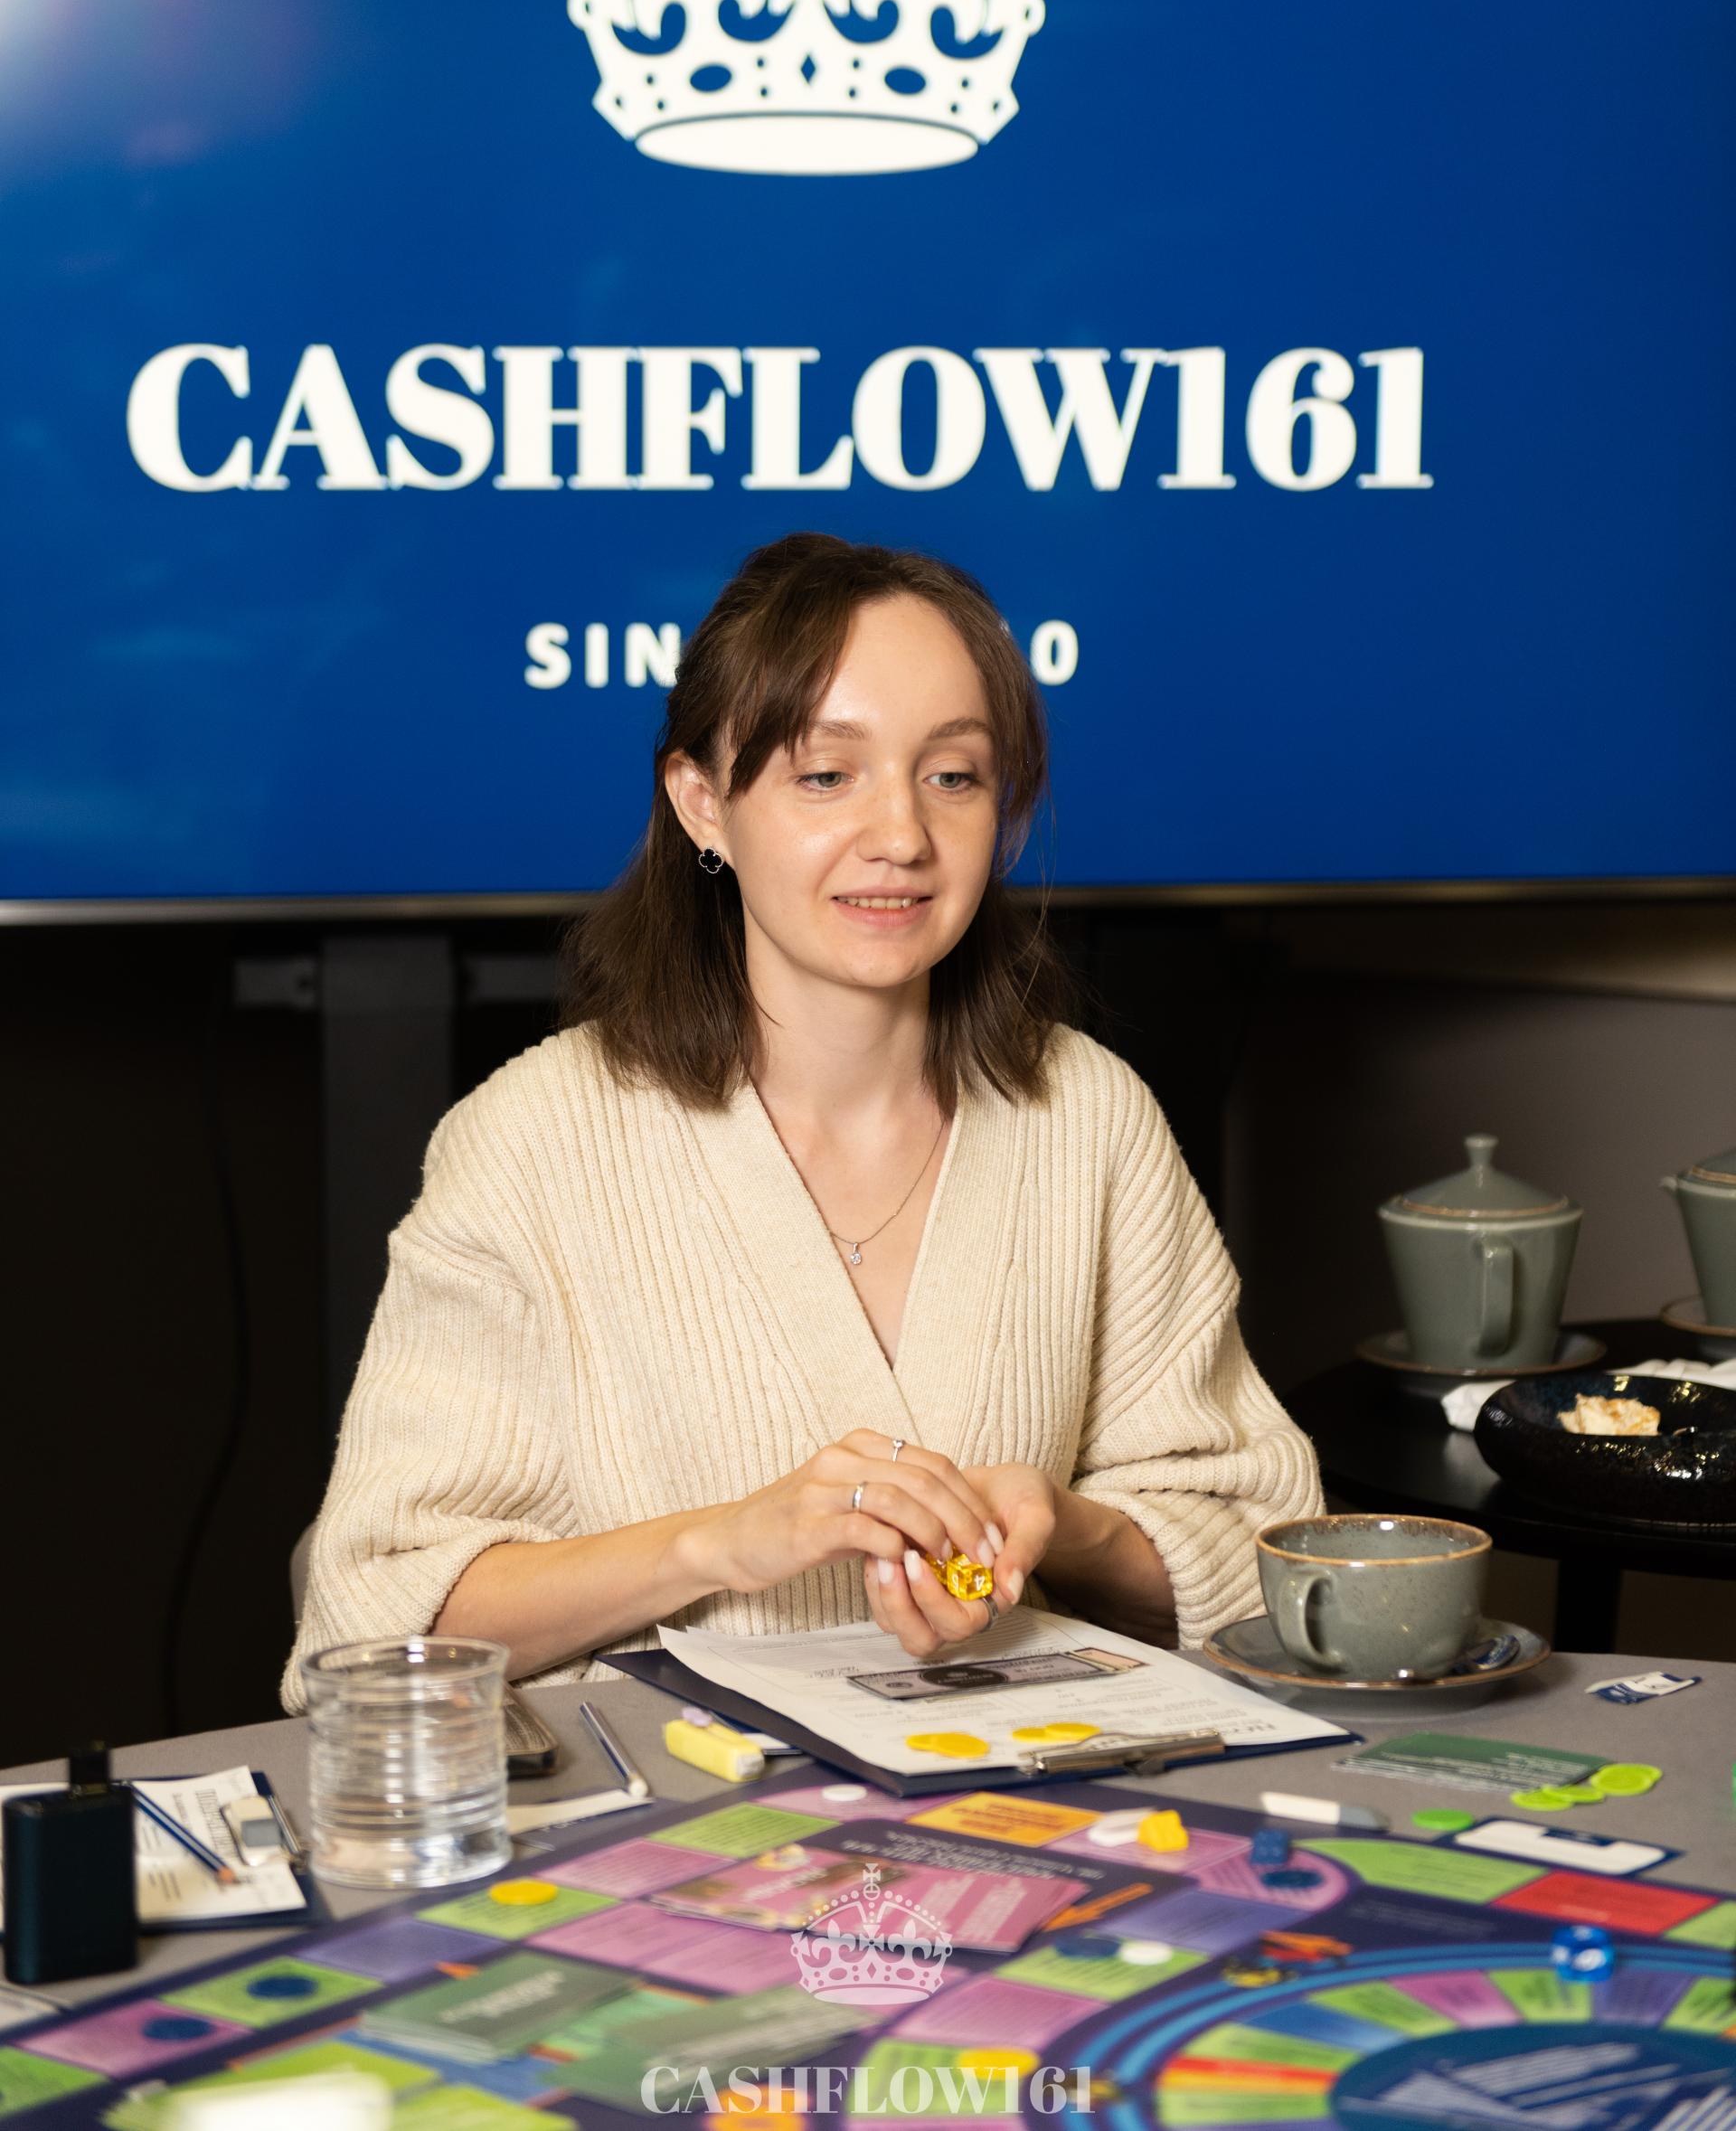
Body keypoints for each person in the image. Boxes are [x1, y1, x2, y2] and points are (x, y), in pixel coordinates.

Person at [281, 533, 1320, 1709]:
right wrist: (719, 1542)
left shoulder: (1088, 1115)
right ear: (702, 804)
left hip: (1025, 1795)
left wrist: (1065, 1525)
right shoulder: (529, 1142)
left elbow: (1271, 1557)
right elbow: (371, 1617)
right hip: (667, 1811)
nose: (902, 835)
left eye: (954, 775)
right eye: (828, 775)